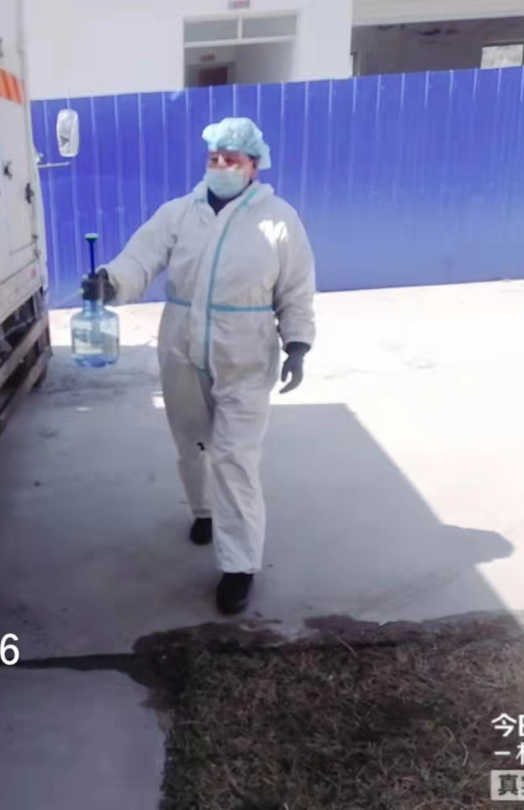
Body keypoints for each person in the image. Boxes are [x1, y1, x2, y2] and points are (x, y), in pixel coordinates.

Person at [83, 117, 317, 615]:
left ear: (254, 165)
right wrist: (111, 281)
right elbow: (140, 258)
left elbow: (296, 288)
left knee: (234, 457)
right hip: (182, 346)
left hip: (245, 354)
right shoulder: (179, 214)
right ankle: (204, 510)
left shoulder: (279, 221)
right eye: (215, 158)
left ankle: (239, 565)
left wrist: (297, 343)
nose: (222, 166)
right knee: (191, 442)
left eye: (232, 159)